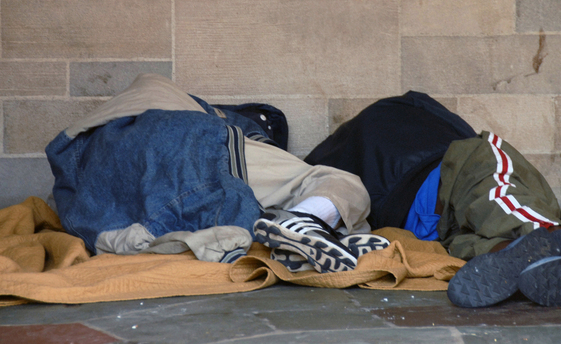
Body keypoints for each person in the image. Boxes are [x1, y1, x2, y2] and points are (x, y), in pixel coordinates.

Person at [305, 91, 561, 307]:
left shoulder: (322, 163)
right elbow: (457, 134)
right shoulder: (398, 112)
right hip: (443, 177)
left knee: (473, 243)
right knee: (498, 186)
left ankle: (515, 256)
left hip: (424, 227)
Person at [46, 74, 389, 272]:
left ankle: (291, 230)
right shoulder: (206, 120)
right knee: (343, 184)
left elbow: (91, 227)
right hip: (185, 142)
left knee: (198, 222)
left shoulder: (77, 166)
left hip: (104, 196)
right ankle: (303, 221)